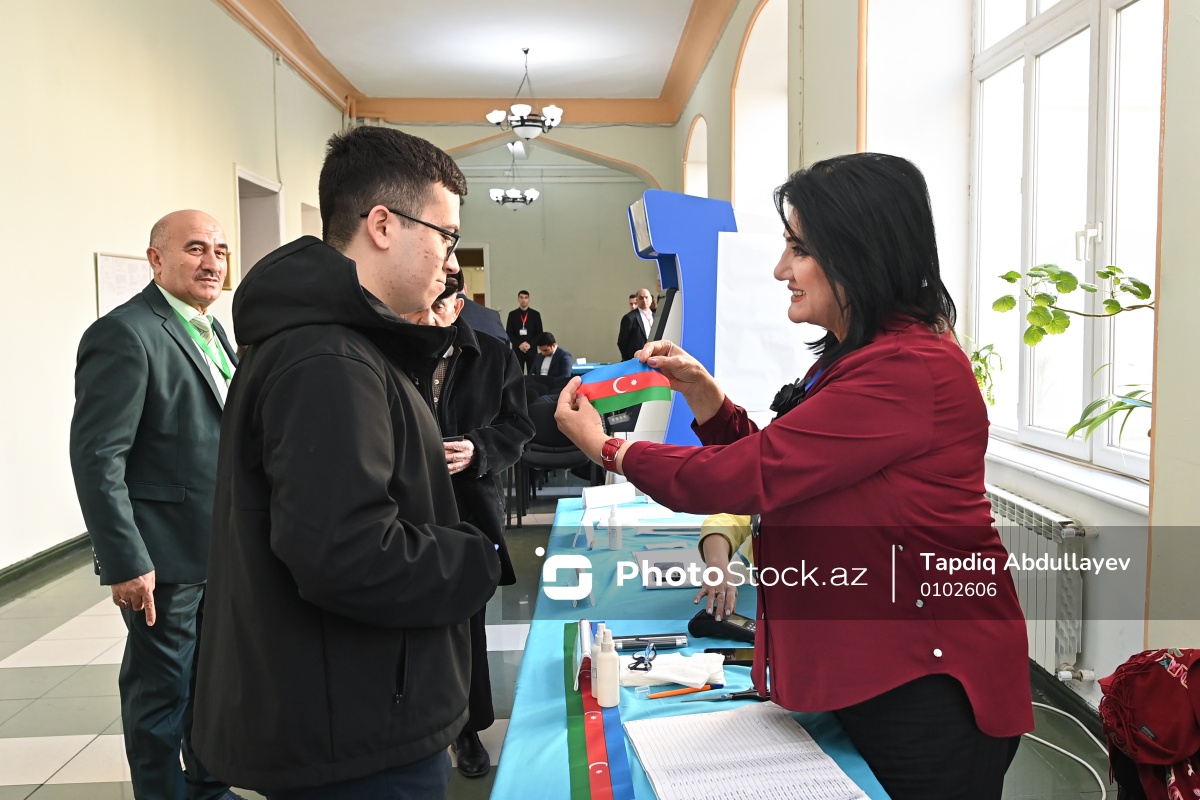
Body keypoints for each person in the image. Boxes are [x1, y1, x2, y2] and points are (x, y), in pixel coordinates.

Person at [555, 153, 1034, 800]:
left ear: (861, 252)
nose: (781, 270)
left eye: (799, 250)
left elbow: (750, 475)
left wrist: (609, 449)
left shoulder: (908, 369)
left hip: (928, 685)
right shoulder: (857, 359)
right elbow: (790, 468)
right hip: (874, 665)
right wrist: (707, 399)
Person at [193, 126, 502, 799]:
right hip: (355, 729)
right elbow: (347, 553)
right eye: (446, 236)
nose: (452, 263)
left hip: (354, 706)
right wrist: (475, 557)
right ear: (383, 225)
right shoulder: (329, 360)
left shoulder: (344, 344)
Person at [69, 210, 238, 800]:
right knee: (161, 694)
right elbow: (98, 458)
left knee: (212, 688)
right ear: (156, 259)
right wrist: (125, 560)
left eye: (220, 250)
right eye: (195, 249)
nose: (212, 262)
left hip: (219, 550)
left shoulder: (211, 329)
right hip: (163, 559)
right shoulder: (125, 332)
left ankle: (210, 787)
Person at [404, 275, 534, 779]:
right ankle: (421, 726)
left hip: (471, 505)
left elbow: (519, 426)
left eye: (437, 310)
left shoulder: (493, 355)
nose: (426, 321)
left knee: (469, 623)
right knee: (414, 622)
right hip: (408, 508)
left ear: (457, 307)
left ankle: (469, 728)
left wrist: (478, 449)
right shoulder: (393, 350)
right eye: (417, 310)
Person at [504, 289, 543, 373]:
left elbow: (539, 333)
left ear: (529, 299)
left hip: (531, 349)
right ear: (518, 299)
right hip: (518, 349)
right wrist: (519, 344)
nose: (523, 300)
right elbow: (509, 333)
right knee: (517, 373)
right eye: (521, 297)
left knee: (532, 374)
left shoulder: (535, 314)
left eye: (526, 297)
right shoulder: (512, 314)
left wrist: (530, 344)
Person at [618, 287, 654, 360]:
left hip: (654, 358)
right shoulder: (629, 318)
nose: (644, 300)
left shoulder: (656, 316)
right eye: (641, 298)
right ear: (637, 300)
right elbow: (622, 342)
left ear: (651, 299)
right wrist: (629, 359)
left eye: (646, 297)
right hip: (636, 359)